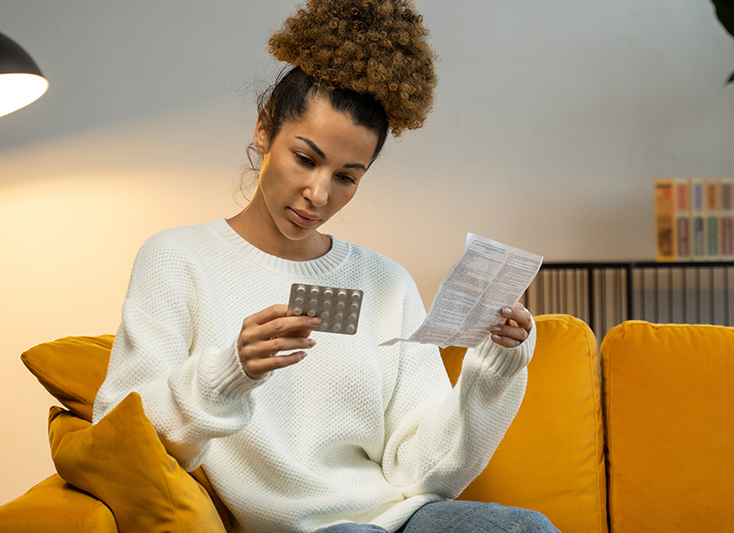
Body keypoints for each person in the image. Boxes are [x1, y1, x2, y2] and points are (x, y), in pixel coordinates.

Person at [93, 1, 560, 532]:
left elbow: (421, 473)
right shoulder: (178, 259)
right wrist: (229, 372)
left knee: (528, 528)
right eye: (306, 158)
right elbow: (118, 430)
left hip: (400, 519)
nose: (318, 194)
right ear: (265, 129)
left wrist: (493, 368)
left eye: (347, 176)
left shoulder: (387, 281)